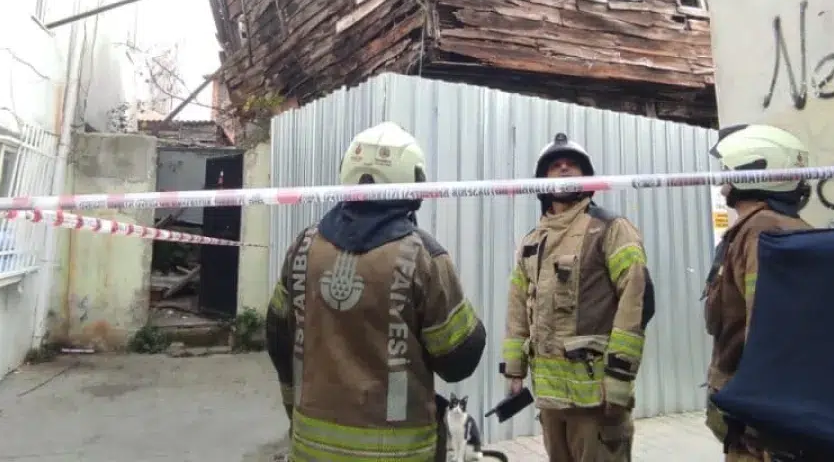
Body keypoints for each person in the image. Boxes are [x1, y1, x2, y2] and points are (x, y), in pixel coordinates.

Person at [264, 121, 487, 462]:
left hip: (312, 445)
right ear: (413, 183)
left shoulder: (305, 246)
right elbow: (458, 359)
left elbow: (278, 335)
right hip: (398, 451)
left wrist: (295, 406)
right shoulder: (422, 256)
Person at [501, 132, 656, 462]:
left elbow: (636, 301)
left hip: (595, 400)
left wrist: (620, 377)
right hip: (550, 401)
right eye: (555, 166)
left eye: (573, 165)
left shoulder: (611, 229)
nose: (564, 169)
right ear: (542, 182)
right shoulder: (532, 240)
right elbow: (517, 305)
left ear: (589, 178)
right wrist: (515, 369)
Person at [701, 124, 815, 461]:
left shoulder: (762, 231)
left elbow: (767, 331)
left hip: (758, 431)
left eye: (728, 169)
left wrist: (760, 423)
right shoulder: (766, 228)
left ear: (752, 170)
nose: (722, 179)